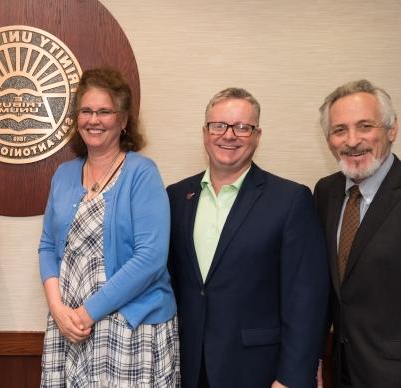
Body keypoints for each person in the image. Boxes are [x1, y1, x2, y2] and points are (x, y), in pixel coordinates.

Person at [167, 87, 330, 388]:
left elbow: (306, 299)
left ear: (257, 135)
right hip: (187, 367)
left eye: (243, 127)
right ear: (205, 132)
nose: (229, 135)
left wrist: (293, 378)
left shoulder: (290, 199)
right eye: (219, 125)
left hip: (258, 371)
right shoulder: (177, 197)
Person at [39, 68, 179, 387]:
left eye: (105, 111)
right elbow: (47, 246)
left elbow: (151, 259)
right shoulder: (63, 174)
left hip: (130, 330)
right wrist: (58, 309)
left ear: (124, 120)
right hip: (70, 329)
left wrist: (86, 314)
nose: (94, 119)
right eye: (86, 111)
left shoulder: (142, 173)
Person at [314, 80, 401, 387]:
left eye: (365, 126)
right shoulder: (325, 192)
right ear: (328, 140)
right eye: (340, 130)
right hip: (341, 370)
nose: (352, 140)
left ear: (392, 129)